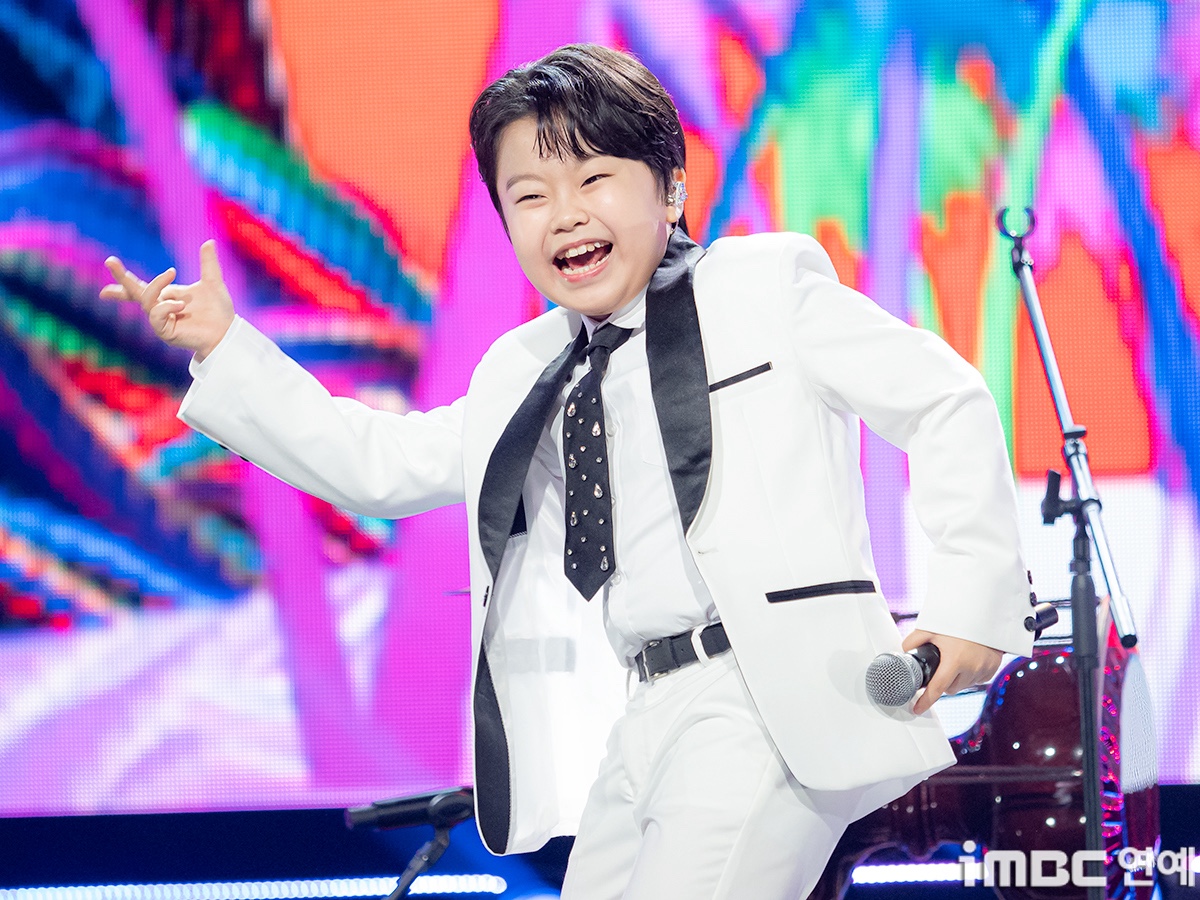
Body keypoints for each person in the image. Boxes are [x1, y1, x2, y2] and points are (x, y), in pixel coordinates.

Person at [102, 43, 1034, 899]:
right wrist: (225, 351)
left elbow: (944, 398)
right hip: (644, 706)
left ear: (671, 187)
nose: (567, 214)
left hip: (770, 698)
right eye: (531, 195)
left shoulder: (762, 287)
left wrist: (969, 606)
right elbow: (379, 465)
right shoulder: (527, 369)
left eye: (594, 178)